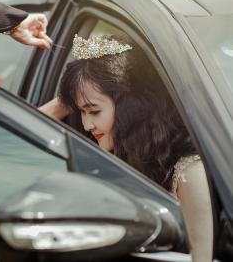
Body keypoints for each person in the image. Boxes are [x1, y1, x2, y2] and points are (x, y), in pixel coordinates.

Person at [40, 34, 213, 262]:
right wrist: (70, 96)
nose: (86, 124)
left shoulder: (189, 172)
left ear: (130, 107)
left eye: (94, 111)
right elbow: (19, 136)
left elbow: (202, 257)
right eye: (80, 111)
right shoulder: (122, 153)